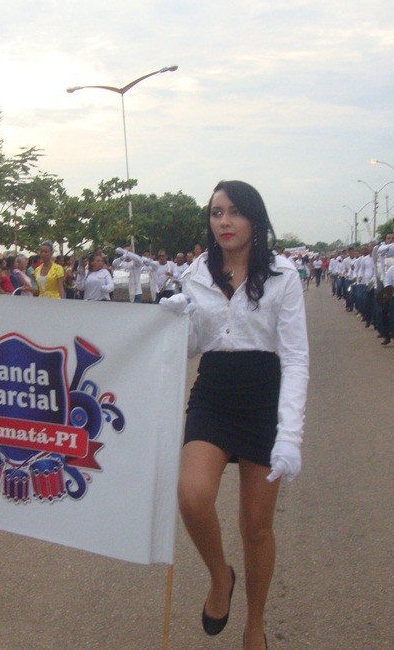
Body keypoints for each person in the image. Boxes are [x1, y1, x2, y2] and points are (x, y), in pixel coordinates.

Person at [161, 180, 308, 650]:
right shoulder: (197, 273)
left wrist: (290, 434)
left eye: (234, 212)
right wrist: (175, 321)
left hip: (264, 396)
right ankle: (220, 577)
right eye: (216, 212)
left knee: (256, 527)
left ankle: (255, 624)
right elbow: (189, 349)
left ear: (255, 219)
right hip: (214, 392)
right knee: (192, 494)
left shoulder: (284, 275)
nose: (223, 222)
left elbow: (296, 358)